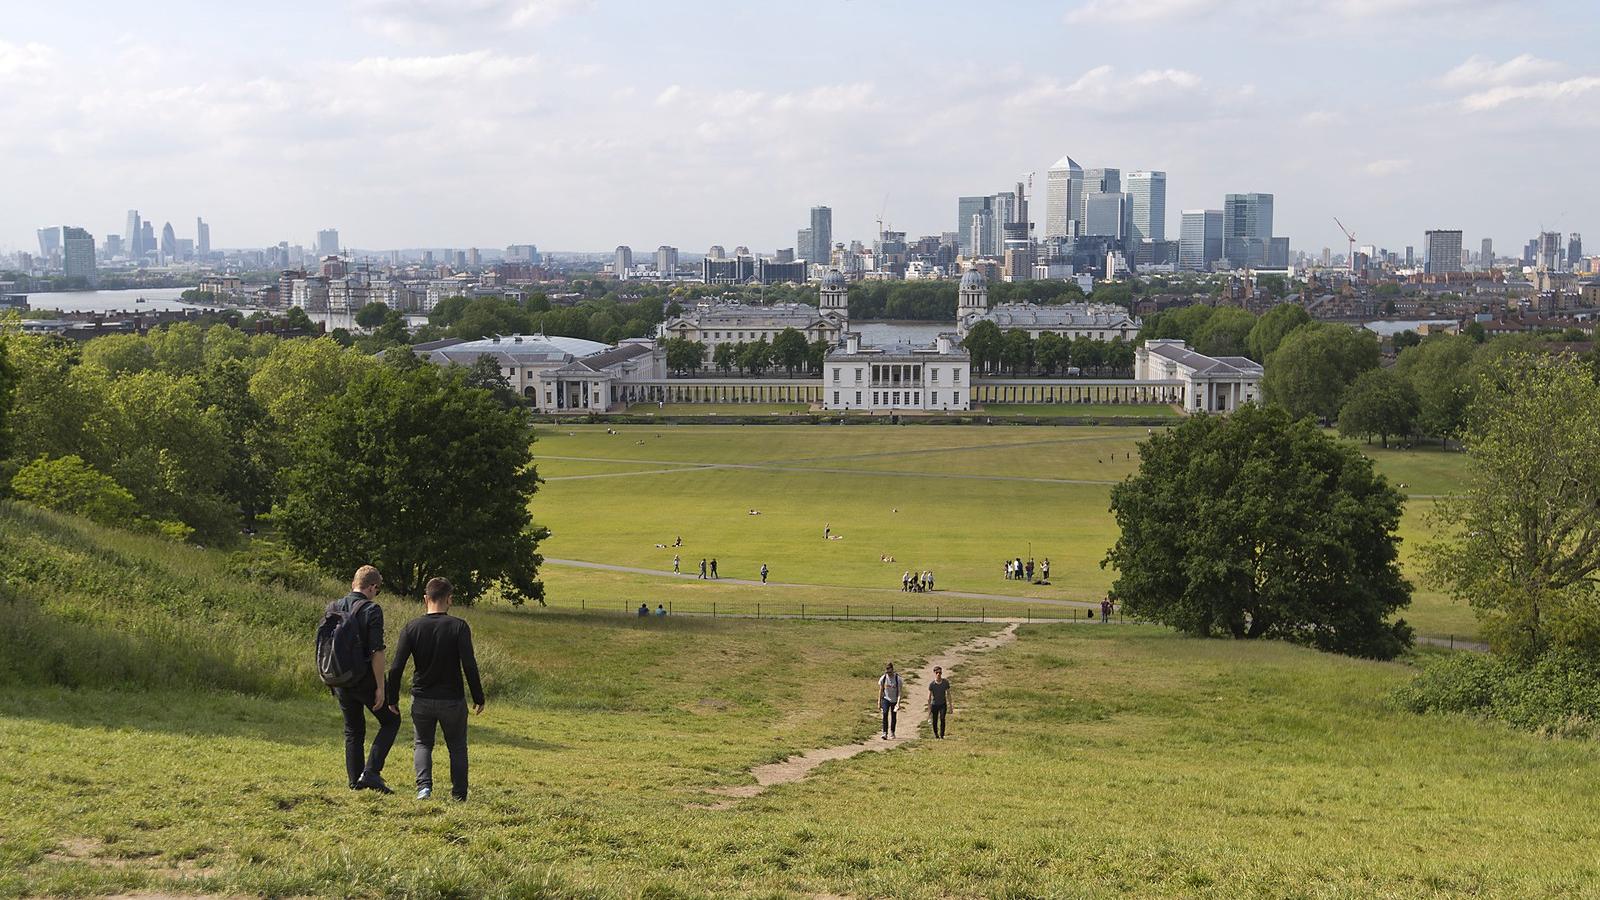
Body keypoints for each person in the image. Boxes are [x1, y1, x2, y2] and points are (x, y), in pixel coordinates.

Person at [385, 577, 484, 802]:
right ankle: (458, 794)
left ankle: (424, 788)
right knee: (457, 746)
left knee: (422, 743)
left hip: (422, 698)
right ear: (449, 599)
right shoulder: (459, 626)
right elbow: (469, 664)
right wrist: (478, 696)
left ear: (425, 599)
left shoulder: (412, 627)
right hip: (452, 699)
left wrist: (392, 698)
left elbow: (397, 666)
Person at [331, 566, 400, 794]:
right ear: (372, 587)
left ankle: (355, 781)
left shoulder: (333, 607)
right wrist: (381, 686)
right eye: (376, 590)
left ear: (354, 583)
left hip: (340, 678)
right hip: (364, 679)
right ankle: (371, 773)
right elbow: (376, 652)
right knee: (391, 721)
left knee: (353, 729)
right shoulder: (372, 609)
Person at [877, 662, 904, 739]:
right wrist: (879, 702)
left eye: (889, 671)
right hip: (886, 699)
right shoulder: (884, 678)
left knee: (893, 716)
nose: (888, 673)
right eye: (887, 671)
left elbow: (899, 692)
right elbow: (881, 690)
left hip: (894, 700)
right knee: (885, 714)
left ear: (892, 670)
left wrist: (898, 703)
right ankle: (884, 732)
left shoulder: (897, 679)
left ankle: (892, 732)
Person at [927, 665, 951, 739]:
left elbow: (948, 694)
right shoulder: (932, 684)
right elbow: (929, 697)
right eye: (937, 672)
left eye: (940, 672)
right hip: (934, 705)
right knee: (935, 720)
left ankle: (942, 735)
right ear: (934, 673)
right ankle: (936, 734)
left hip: (943, 704)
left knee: (942, 718)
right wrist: (929, 708)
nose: (938, 674)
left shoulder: (945, 682)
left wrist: (950, 705)